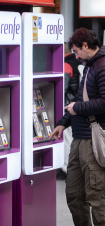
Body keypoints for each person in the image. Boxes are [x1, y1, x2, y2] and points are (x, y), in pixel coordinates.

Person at [50, 28, 105, 226]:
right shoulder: (90, 66)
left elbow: (102, 103)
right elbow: (81, 99)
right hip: (79, 139)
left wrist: (76, 109)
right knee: (73, 193)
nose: (74, 55)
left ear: (85, 45)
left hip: (93, 140)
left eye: (75, 50)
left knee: (96, 194)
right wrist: (64, 122)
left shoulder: (102, 66)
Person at [57, 43, 84, 180]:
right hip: (78, 105)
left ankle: (66, 169)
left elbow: (62, 88)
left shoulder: (66, 64)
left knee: (67, 139)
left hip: (67, 106)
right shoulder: (79, 62)